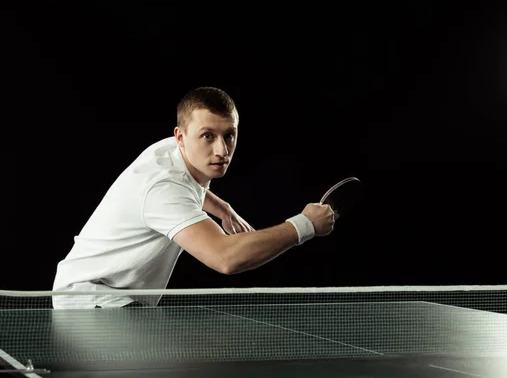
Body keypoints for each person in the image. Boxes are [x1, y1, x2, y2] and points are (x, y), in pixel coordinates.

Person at [52, 86, 335, 309]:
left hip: (111, 296)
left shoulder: (169, 153)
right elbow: (226, 258)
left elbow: (188, 186)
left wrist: (222, 207)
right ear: (180, 136)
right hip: (91, 299)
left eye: (229, 135)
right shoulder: (162, 189)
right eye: (208, 136)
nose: (222, 150)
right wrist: (305, 225)